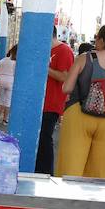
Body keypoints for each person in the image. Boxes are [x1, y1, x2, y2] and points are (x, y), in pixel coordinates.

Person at [56, 24, 105, 179]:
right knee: (104, 168)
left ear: (101, 40)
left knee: (71, 166)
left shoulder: (85, 58)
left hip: (79, 114)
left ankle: (67, 200)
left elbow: (67, 88)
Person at [38, 27, 75, 175]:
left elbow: (65, 77)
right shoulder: (45, 50)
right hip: (41, 102)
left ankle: (46, 172)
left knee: (45, 139)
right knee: (40, 139)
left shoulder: (64, 50)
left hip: (52, 102)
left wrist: (44, 68)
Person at [0, 46, 17, 125]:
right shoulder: (16, 63)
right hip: (11, 80)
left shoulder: (3, 60)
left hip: (0, 79)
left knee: (1, 99)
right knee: (8, 101)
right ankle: (5, 119)